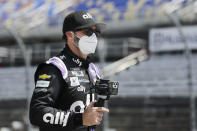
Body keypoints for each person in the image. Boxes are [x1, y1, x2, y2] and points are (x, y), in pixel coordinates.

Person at [29, 10, 109, 131]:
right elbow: (37, 112)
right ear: (70, 35)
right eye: (88, 31)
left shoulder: (92, 70)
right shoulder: (55, 67)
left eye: (96, 32)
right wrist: (79, 119)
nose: (93, 36)